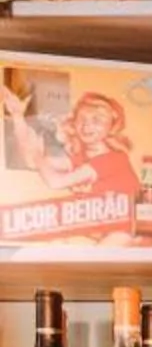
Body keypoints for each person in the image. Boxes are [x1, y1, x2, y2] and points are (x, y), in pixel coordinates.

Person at [0, 84, 144, 241]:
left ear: (111, 126)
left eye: (97, 120)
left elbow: (55, 182)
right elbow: (32, 161)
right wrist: (17, 117)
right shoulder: (80, 157)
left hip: (128, 234)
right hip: (101, 233)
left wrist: (37, 156)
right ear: (74, 123)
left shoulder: (114, 158)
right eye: (81, 119)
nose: (87, 125)